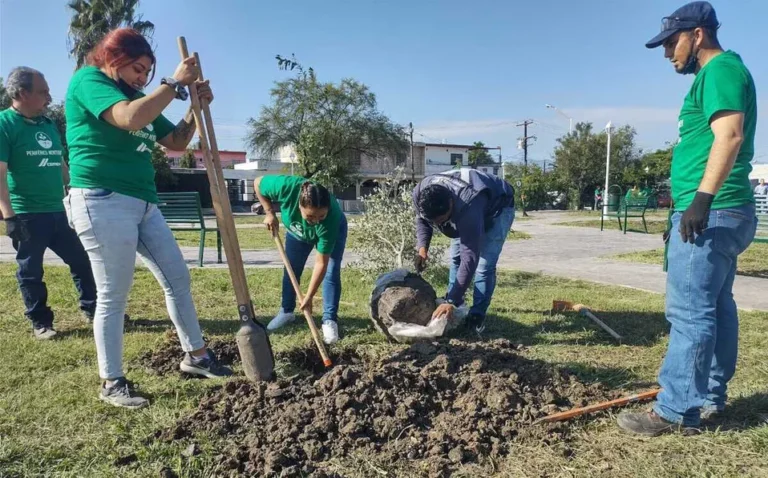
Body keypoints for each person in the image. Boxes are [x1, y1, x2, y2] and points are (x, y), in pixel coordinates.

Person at [64, 28, 231, 409]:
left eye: (147, 73)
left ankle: (196, 355)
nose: (142, 78)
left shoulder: (139, 96)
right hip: (101, 199)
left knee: (177, 277)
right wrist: (174, 83)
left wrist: (194, 108)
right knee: (113, 295)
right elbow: (128, 119)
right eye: (138, 69)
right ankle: (112, 380)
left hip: (143, 202)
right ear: (112, 58)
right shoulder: (88, 81)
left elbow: (176, 141)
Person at [619, 1, 757, 436]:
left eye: (671, 43)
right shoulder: (714, 76)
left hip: (713, 210)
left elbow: (730, 135)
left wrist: (699, 200)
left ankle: (677, 410)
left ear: (697, 34)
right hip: (718, 210)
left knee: (690, 312)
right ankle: (710, 395)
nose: (667, 54)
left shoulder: (721, 71)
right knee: (716, 307)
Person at [0, 67, 98, 340]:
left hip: (60, 210)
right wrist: (9, 216)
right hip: (28, 213)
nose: (48, 96)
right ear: (22, 93)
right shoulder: (4, 124)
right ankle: (40, 322)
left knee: (82, 260)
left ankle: (93, 309)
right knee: (31, 271)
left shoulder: (47, 124)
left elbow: (61, 163)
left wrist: (76, 191)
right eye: (42, 92)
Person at [413, 168, 515, 333]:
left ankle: (476, 316)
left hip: (498, 207)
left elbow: (470, 257)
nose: (440, 225)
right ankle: (456, 305)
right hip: (467, 208)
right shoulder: (420, 192)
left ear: (451, 204)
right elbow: (422, 221)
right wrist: (422, 248)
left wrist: (451, 299)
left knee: (484, 265)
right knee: (455, 259)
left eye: (442, 221)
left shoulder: (469, 205)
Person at [253, 175, 347, 345]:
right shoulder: (286, 188)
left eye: (321, 216)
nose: (316, 221)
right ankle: (286, 312)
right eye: (310, 217)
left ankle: (329, 320)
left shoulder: (330, 220)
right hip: (297, 233)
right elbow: (258, 183)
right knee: (291, 268)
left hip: (334, 230)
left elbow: (321, 263)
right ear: (299, 205)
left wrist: (309, 296)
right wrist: (269, 212)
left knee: (332, 271)